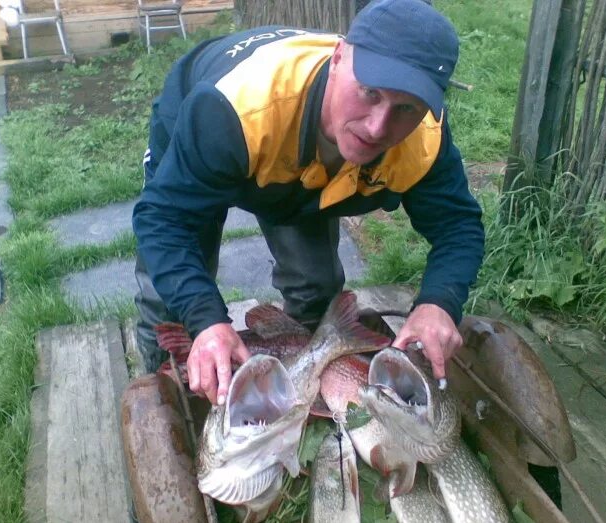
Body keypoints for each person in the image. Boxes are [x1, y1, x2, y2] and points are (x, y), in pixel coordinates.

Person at [132, 0, 485, 406]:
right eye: (369, 92)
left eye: (405, 108)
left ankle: (301, 393)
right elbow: (164, 220)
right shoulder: (228, 108)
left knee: (317, 292)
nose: (377, 127)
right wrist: (207, 321)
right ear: (337, 59)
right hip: (226, 129)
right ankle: (161, 391)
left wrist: (439, 303)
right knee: (172, 300)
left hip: (302, 168)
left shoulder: (424, 140)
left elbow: (458, 226)